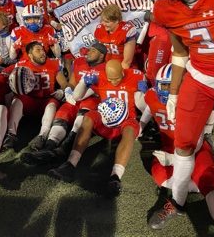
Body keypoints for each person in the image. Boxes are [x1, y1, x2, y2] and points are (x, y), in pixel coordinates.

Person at [148, 0, 214, 229]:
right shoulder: (165, 7)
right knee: (183, 144)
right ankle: (176, 200)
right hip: (199, 76)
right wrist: (175, 92)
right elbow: (179, 51)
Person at [139, 64, 214, 234]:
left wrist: (172, 159)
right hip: (169, 147)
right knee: (159, 175)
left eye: (173, 85)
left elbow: (195, 142)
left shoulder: (193, 101)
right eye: (164, 85)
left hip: (195, 150)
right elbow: (149, 109)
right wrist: (140, 124)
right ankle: (188, 192)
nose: (168, 90)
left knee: (210, 185)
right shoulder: (152, 96)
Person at [48, 59, 146, 197]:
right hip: (105, 119)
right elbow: (77, 96)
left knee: (130, 130)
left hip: (126, 121)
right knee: (88, 116)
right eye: (110, 79)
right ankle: (70, 164)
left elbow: (143, 107)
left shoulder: (135, 76)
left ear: (123, 72)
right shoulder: (99, 77)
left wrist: (142, 94)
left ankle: (115, 177)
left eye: (117, 78)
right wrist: (84, 82)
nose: (113, 82)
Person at [20, 41, 107, 163]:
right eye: (89, 49)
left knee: (84, 111)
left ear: (101, 55)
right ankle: (48, 148)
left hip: (92, 99)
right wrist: (67, 90)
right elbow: (72, 82)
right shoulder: (79, 62)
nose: (89, 52)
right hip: (75, 98)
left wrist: (78, 95)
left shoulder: (106, 68)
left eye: (93, 51)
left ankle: (63, 148)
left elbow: (100, 91)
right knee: (63, 114)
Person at [2, 41, 68, 149]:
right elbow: (4, 74)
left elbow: (64, 84)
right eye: (38, 50)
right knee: (17, 99)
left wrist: (62, 91)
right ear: (30, 55)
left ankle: (42, 136)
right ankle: (11, 134)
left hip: (46, 100)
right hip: (29, 100)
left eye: (42, 50)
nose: (42, 53)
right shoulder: (21, 64)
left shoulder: (54, 63)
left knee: (52, 104)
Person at [94, 3, 137, 69]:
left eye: (107, 22)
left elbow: (127, 62)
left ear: (117, 21)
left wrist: (116, 75)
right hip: (105, 66)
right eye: (102, 21)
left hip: (121, 68)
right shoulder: (100, 29)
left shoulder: (126, 31)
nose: (103, 24)